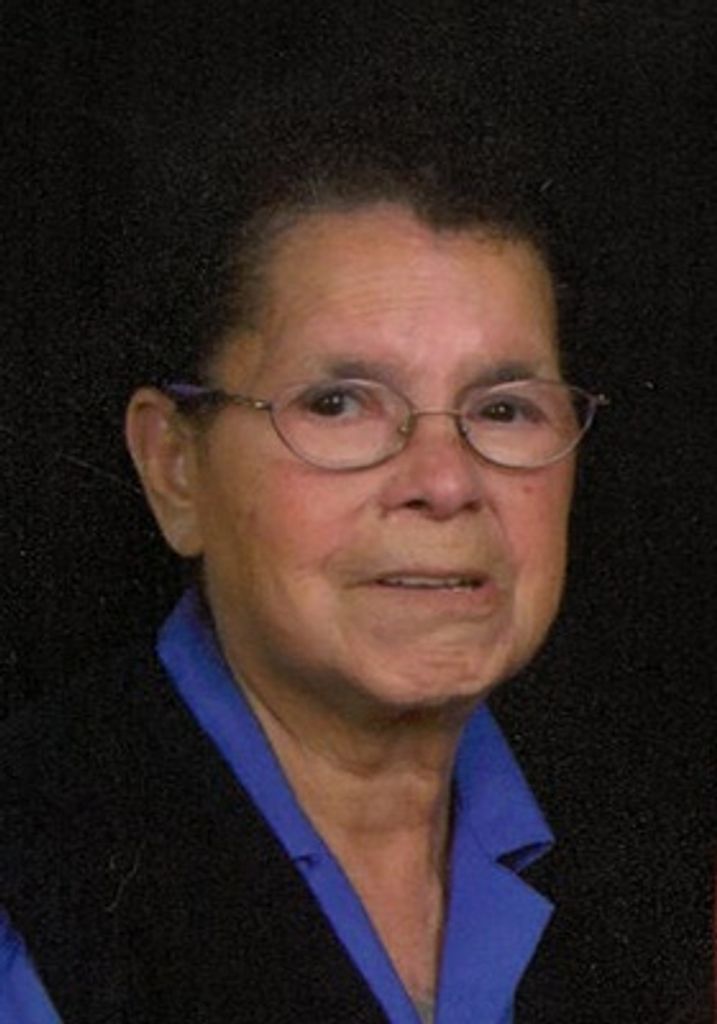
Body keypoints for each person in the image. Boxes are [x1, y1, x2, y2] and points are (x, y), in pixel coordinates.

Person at [0, 156, 606, 1023]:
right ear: (174, 468)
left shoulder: (640, 873)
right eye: (338, 404)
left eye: (503, 409)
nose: (444, 483)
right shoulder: (32, 896)